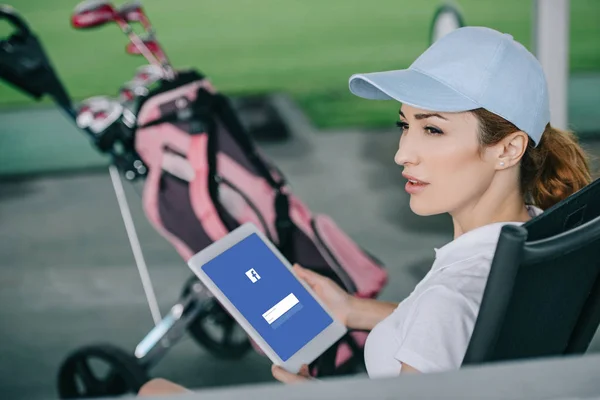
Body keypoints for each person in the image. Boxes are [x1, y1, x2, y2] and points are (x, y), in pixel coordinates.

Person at [137, 26, 592, 395]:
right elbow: (474, 327)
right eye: (404, 125)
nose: (402, 154)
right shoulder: (536, 236)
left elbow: (446, 316)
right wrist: (354, 310)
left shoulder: (449, 299)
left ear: (507, 149)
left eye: (432, 130)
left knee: (155, 391)